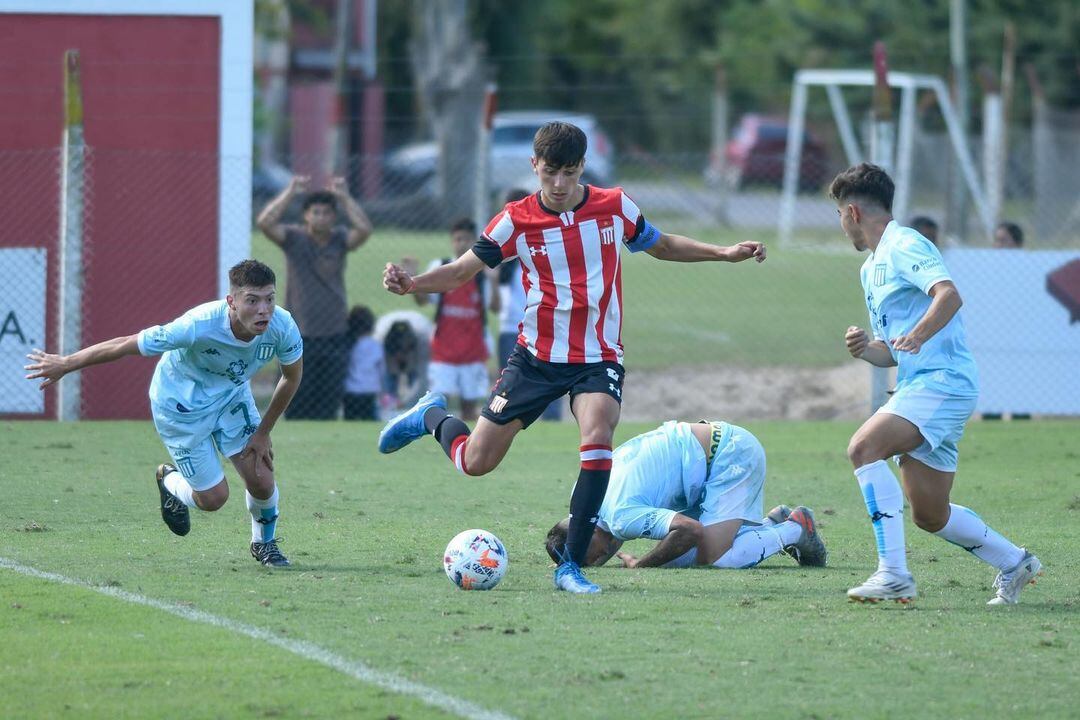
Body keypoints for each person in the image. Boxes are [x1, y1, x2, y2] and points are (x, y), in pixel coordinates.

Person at [379, 121, 766, 594]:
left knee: (598, 433)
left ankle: (570, 568)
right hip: (535, 359)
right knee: (474, 462)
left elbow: (662, 245)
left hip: (597, 357)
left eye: (568, 172)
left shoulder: (614, 206)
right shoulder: (514, 221)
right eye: (550, 173)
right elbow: (461, 271)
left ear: (582, 167)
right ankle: (430, 416)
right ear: (534, 166)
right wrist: (413, 285)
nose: (559, 184)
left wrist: (723, 252)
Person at [830, 162, 1041, 605]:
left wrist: (920, 334)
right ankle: (1015, 562)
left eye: (838, 215)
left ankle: (893, 574)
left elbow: (948, 294)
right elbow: (892, 350)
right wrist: (866, 349)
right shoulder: (870, 269)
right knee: (930, 514)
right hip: (920, 386)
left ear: (853, 212)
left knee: (863, 448)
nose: (841, 224)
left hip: (943, 382)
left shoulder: (904, 243)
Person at [24, 260, 303, 566]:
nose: (263, 310)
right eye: (252, 300)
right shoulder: (197, 325)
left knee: (261, 478)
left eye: (269, 299)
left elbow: (291, 377)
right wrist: (66, 363)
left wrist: (263, 433)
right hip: (180, 408)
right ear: (232, 302)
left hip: (230, 399)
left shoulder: (283, 326)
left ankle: (264, 544)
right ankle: (169, 481)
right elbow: (125, 344)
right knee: (213, 499)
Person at [543, 419, 827, 571]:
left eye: (589, 557)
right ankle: (771, 524)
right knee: (678, 555)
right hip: (712, 448)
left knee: (717, 558)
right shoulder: (583, 497)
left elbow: (690, 530)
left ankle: (795, 529)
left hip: (729, 453)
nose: (599, 558)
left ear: (584, 533)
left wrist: (642, 565)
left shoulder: (619, 517)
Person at [257, 175, 373, 419]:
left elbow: (364, 229)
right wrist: (290, 192)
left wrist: (344, 197)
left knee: (328, 402)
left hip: (334, 331)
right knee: (294, 399)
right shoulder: (293, 239)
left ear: (334, 217)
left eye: (327, 213)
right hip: (298, 331)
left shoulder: (340, 240)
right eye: (315, 212)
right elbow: (265, 223)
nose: (321, 217)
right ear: (306, 216)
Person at [410, 217, 500, 421]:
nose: (462, 244)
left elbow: (495, 307)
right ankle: (442, 435)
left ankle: (468, 439)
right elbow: (423, 301)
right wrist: (413, 278)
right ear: (452, 242)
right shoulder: (441, 266)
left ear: (475, 241)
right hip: (444, 350)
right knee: (438, 404)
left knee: (470, 407)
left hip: (473, 351)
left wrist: (494, 282)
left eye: (467, 239)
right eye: (458, 239)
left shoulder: (482, 274)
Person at [496, 187, 561, 421]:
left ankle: (551, 425)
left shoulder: (545, 245)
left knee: (550, 387)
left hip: (544, 329)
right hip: (511, 327)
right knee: (509, 392)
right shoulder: (501, 252)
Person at [343, 305, 383, 421]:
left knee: (350, 420)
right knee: (370, 419)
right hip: (370, 390)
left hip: (350, 390)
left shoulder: (348, 345)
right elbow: (381, 369)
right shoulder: (375, 345)